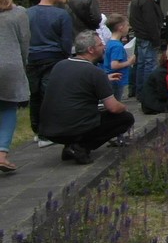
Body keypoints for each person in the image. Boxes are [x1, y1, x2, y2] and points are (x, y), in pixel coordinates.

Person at [39, 31, 135, 165]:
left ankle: (70, 146)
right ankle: (81, 147)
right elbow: (113, 108)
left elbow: (76, 82)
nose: (104, 47)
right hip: (74, 127)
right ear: (91, 49)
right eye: (101, 44)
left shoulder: (60, 65)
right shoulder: (95, 72)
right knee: (125, 118)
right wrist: (124, 107)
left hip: (48, 129)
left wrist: (105, 79)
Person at [27, 0, 73, 148]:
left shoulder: (27, 13)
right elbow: (66, 40)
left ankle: (37, 129)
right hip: (53, 57)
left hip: (31, 57)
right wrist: (65, 55)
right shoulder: (61, 15)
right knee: (49, 94)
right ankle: (48, 132)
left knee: (35, 94)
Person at [0, 0, 31, 172]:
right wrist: (23, 63)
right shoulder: (18, 13)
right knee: (8, 108)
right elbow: (24, 41)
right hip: (10, 64)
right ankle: (2, 153)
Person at [129, 0, 164, 98]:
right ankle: (148, 92)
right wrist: (156, 40)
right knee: (149, 65)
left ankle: (139, 91)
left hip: (140, 35)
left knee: (141, 65)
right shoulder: (147, 0)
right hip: (148, 37)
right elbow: (151, 22)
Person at [102, 13, 135, 101]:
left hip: (112, 78)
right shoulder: (117, 46)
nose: (129, 28)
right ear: (121, 27)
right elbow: (114, 65)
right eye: (127, 25)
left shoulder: (110, 43)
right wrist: (129, 62)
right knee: (116, 101)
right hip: (117, 80)